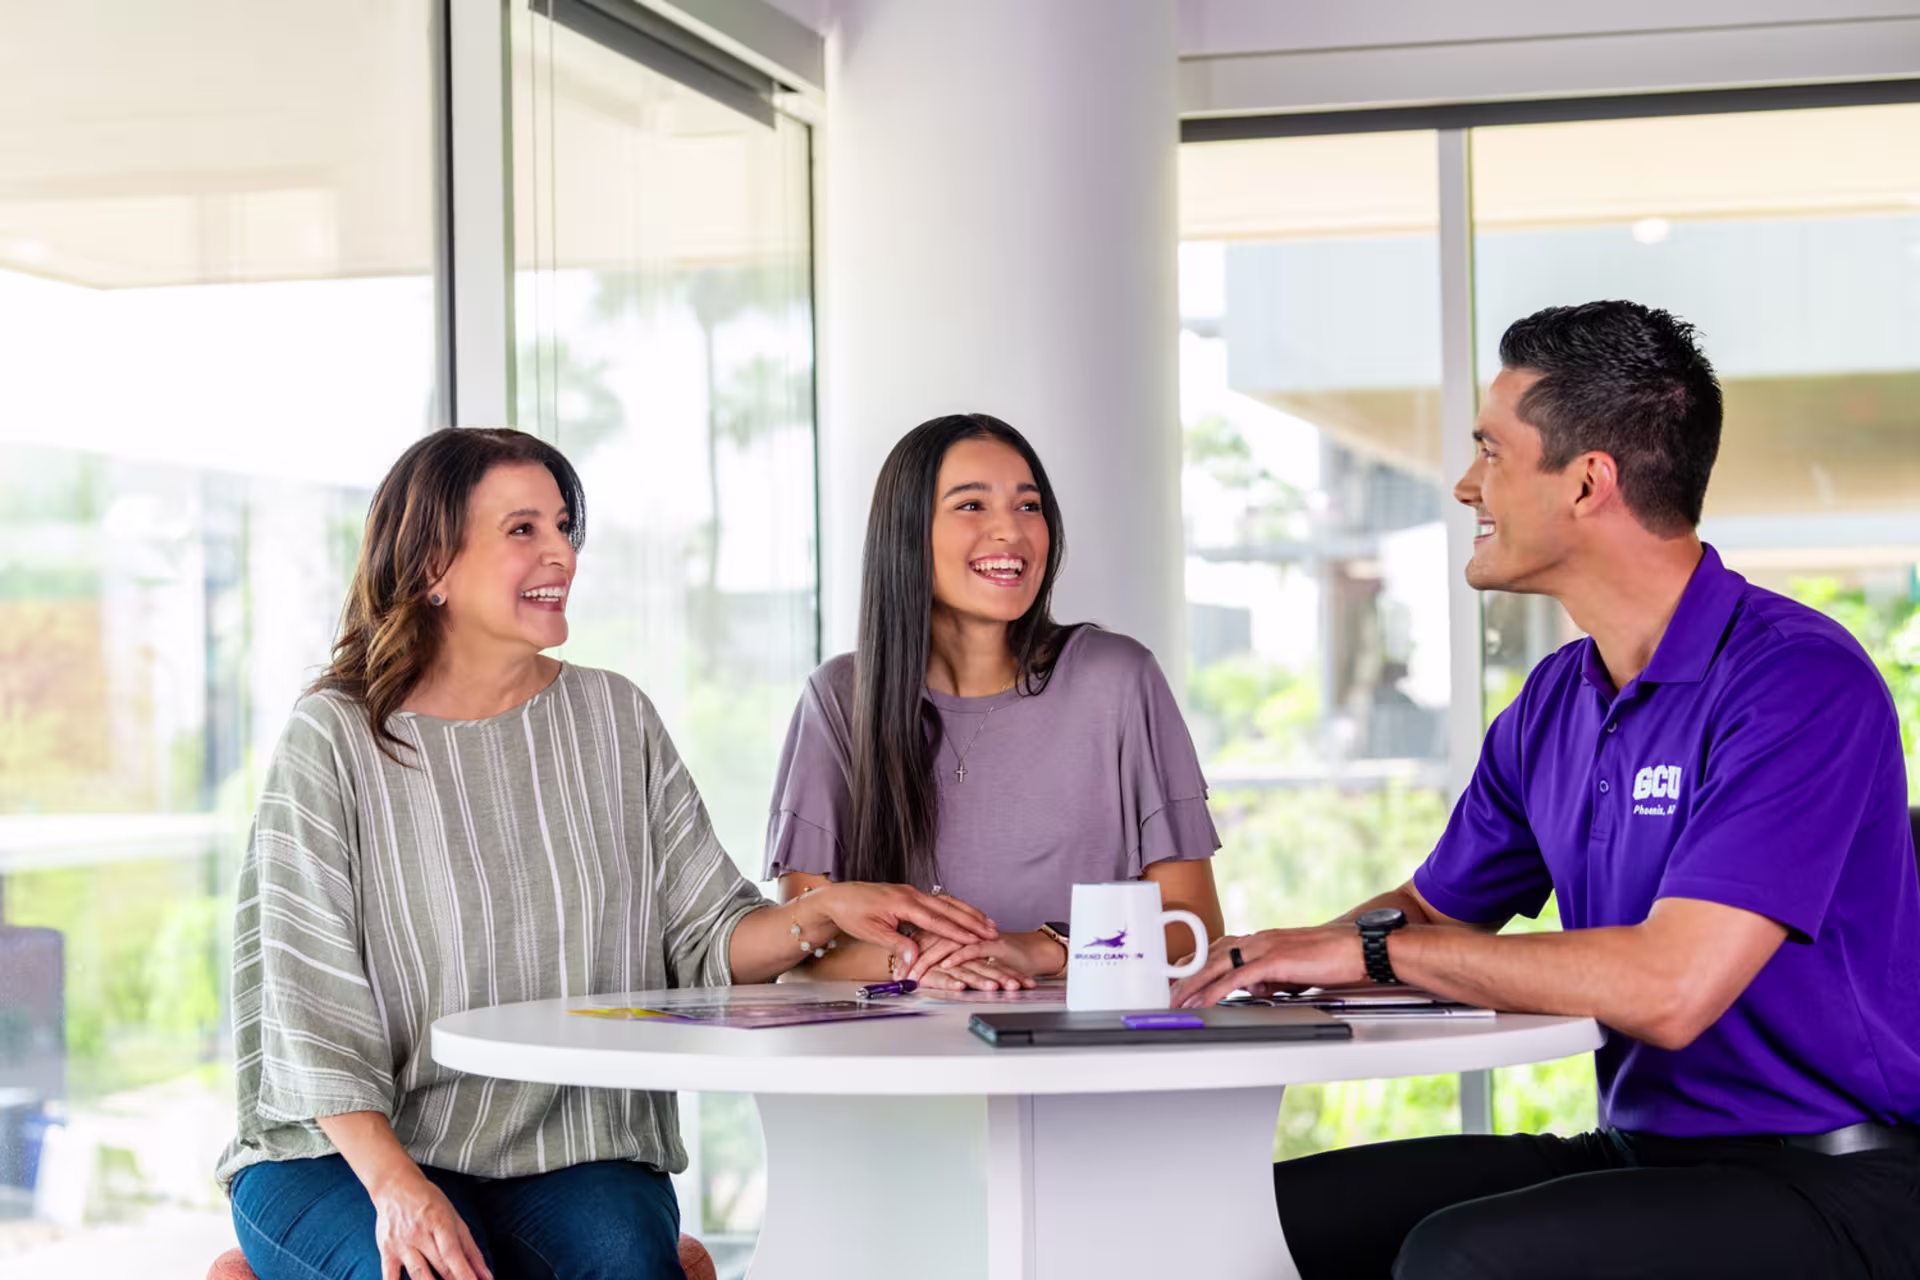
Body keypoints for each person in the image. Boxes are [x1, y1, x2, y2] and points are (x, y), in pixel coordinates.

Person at [1173, 302, 1920, 1279]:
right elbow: (1431, 909)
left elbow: (1670, 987)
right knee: (1250, 1220)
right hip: (1643, 1153)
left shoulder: (1796, 681)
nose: (1464, 483)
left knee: (1462, 1257)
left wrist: (1374, 950)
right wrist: (1268, 958)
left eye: (1491, 450)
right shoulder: (1557, 702)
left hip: (1836, 1182)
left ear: (1587, 480)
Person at [216, 427, 995, 1280]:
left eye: (563, 527)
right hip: (347, 1155)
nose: (562, 553)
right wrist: (399, 1188)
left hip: (572, 1140)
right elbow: (305, 999)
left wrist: (823, 912)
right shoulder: (336, 736)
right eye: (524, 530)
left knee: (630, 1265)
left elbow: (708, 939)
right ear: (432, 565)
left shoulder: (613, 718)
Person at [766, 412, 1224, 990]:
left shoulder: (1119, 679)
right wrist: (933, 966)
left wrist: (1042, 949)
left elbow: (1192, 932)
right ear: (907, 533)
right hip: (898, 1057)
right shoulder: (839, 699)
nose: (1011, 531)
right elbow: (805, 941)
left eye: (1029, 506)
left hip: (1084, 1054)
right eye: (971, 506)